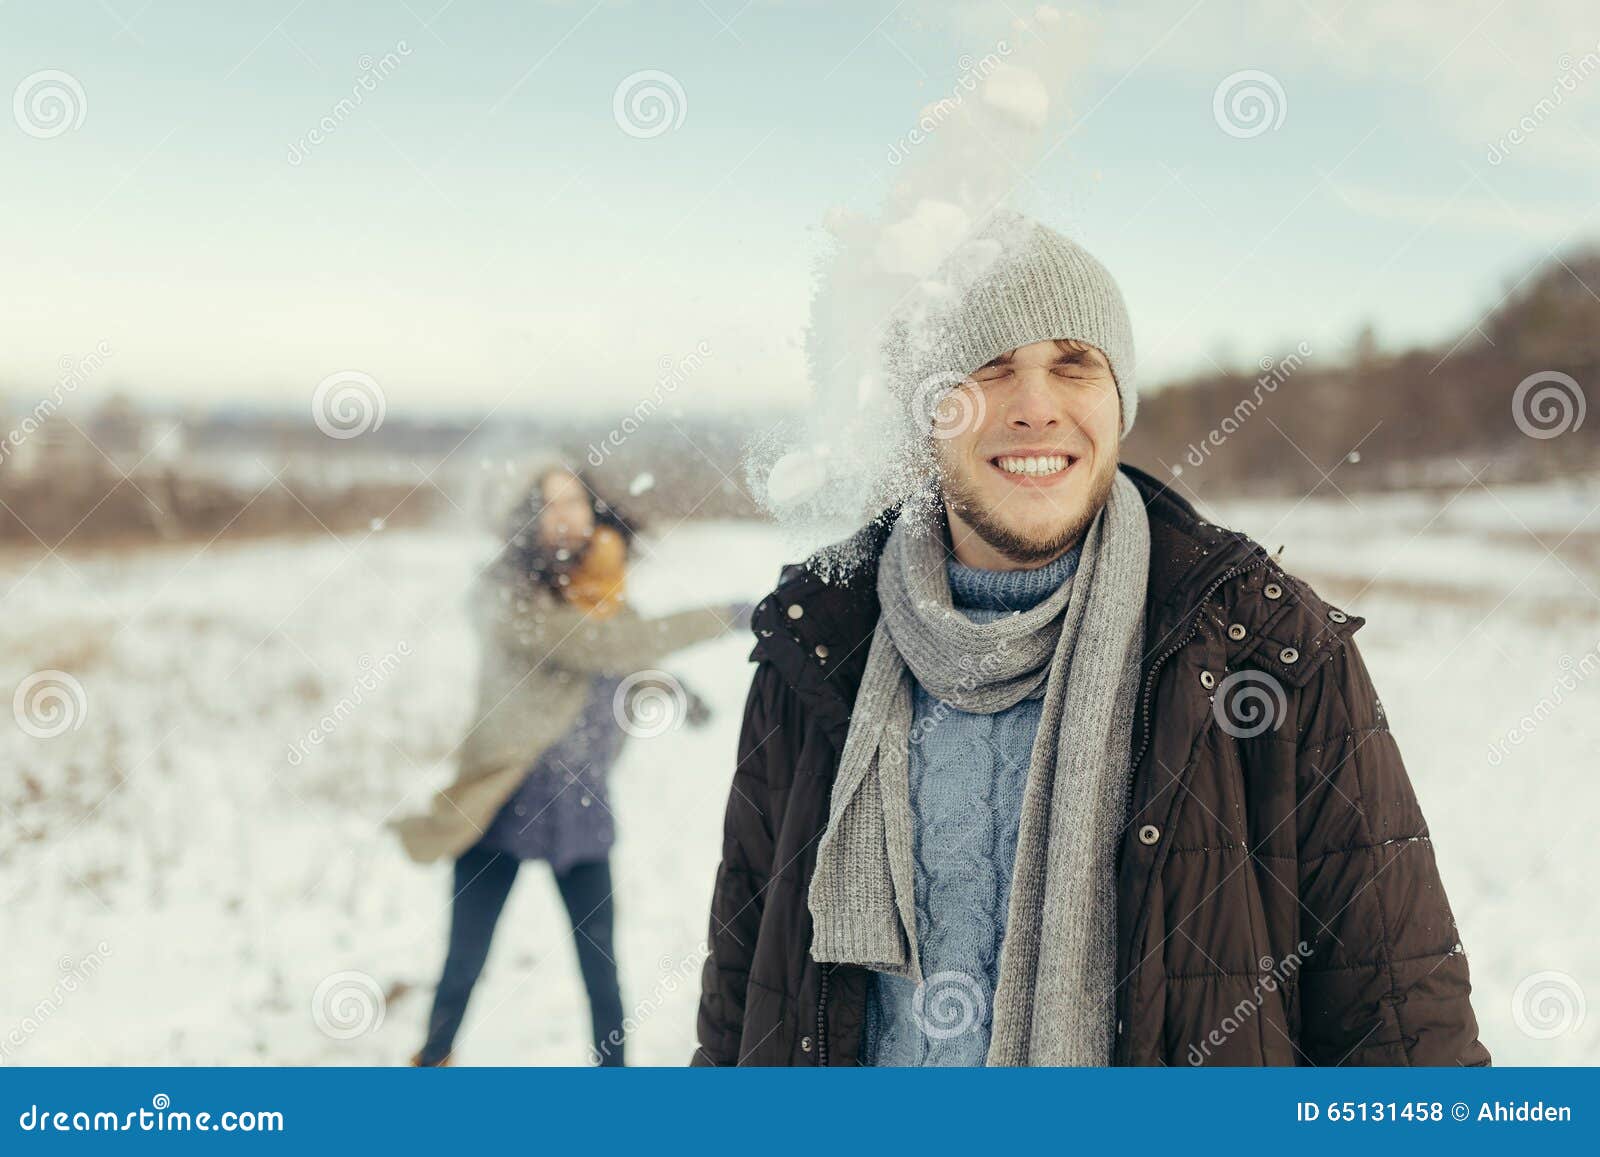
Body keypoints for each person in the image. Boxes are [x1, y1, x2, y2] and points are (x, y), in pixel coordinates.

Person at [694, 210, 1491, 1066]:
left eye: (1074, 365)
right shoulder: (820, 646)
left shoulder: (1263, 648)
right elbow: (745, 997)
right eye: (990, 369)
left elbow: (1405, 1034)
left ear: (1120, 404)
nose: (1036, 407)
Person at [395, 461, 748, 1066]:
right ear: (527, 520)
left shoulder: (605, 598)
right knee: (464, 961)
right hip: (499, 806)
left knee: (601, 968)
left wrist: (672, 691)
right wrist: (733, 613)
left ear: (595, 513)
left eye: (576, 503)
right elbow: (602, 647)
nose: (565, 517)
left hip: (579, 809)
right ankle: (431, 1064)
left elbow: (626, 657)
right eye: (549, 505)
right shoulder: (508, 597)